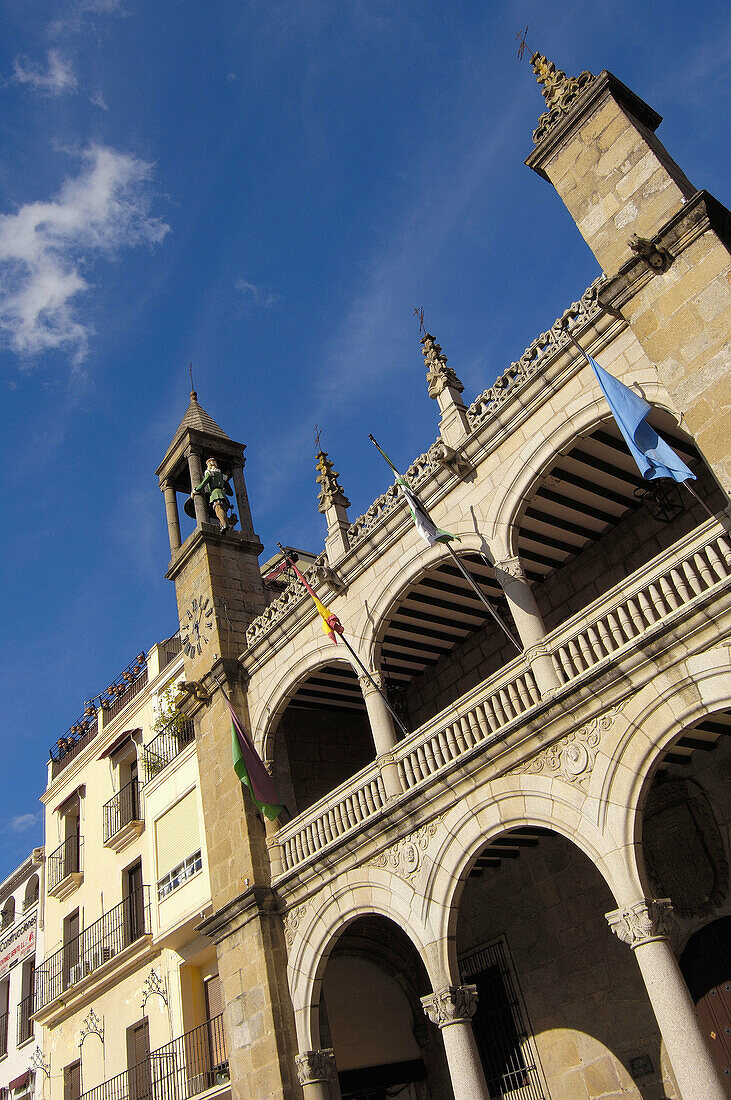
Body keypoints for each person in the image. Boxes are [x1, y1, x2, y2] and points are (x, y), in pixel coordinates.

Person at [193, 458, 235, 531]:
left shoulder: (210, 473)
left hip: (215, 494)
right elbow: (231, 493)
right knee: (223, 510)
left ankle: (224, 525)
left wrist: (196, 490)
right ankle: (225, 525)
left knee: (218, 509)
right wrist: (223, 490)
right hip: (223, 495)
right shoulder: (223, 476)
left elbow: (203, 483)